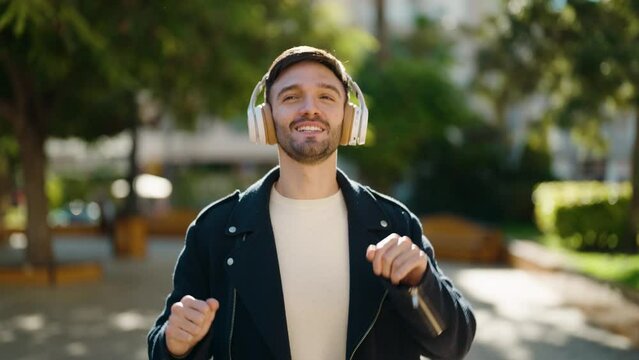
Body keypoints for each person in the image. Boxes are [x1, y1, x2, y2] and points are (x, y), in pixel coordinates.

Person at [148, 46, 476, 360]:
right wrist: (176, 345)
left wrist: (420, 284)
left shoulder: (394, 224)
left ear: (349, 117)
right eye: (291, 97)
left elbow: (453, 344)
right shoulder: (216, 231)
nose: (310, 108)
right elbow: (165, 344)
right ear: (265, 118)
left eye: (326, 96)